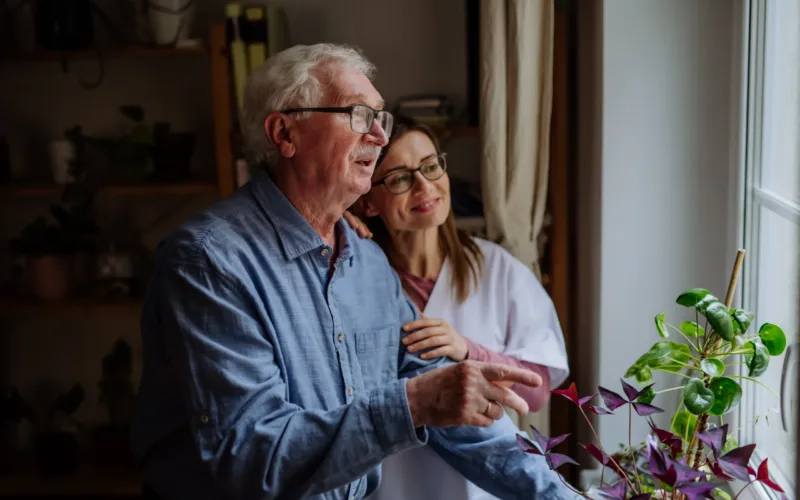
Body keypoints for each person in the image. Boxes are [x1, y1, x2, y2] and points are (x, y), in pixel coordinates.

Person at [130, 42, 573, 500]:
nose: (380, 137)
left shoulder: (369, 265)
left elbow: (461, 421)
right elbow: (251, 458)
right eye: (358, 115)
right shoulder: (208, 261)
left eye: (380, 118)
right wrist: (415, 402)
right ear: (285, 133)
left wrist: (561, 497)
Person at [342, 116, 569, 500]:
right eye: (400, 178)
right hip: (392, 487)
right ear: (368, 200)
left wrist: (469, 352)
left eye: (431, 166)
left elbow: (536, 393)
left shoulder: (498, 270)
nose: (425, 186)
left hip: (484, 489)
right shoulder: (354, 283)